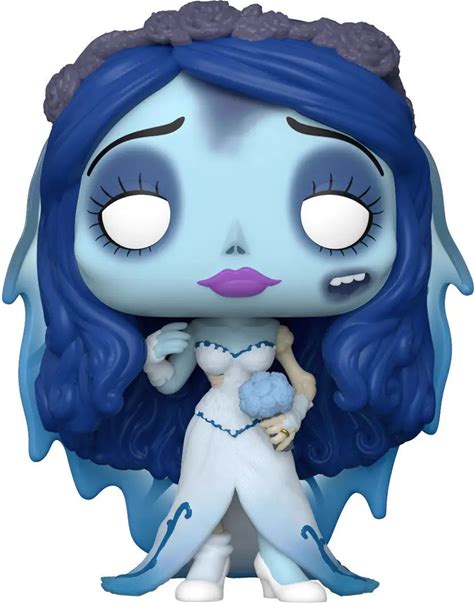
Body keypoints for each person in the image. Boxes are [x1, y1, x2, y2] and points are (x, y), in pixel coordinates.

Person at [4, 2, 472, 601]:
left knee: (278, 496)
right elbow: (170, 385)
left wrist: (293, 419)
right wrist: (151, 357)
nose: (235, 247)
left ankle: (282, 564)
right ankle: (207, 563)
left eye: (335, 208)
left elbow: (303, 381)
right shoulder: (194, 331)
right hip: (206, 426)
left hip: (262, 433)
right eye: (134, 210)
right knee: (201, 496)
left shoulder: (280, 335)